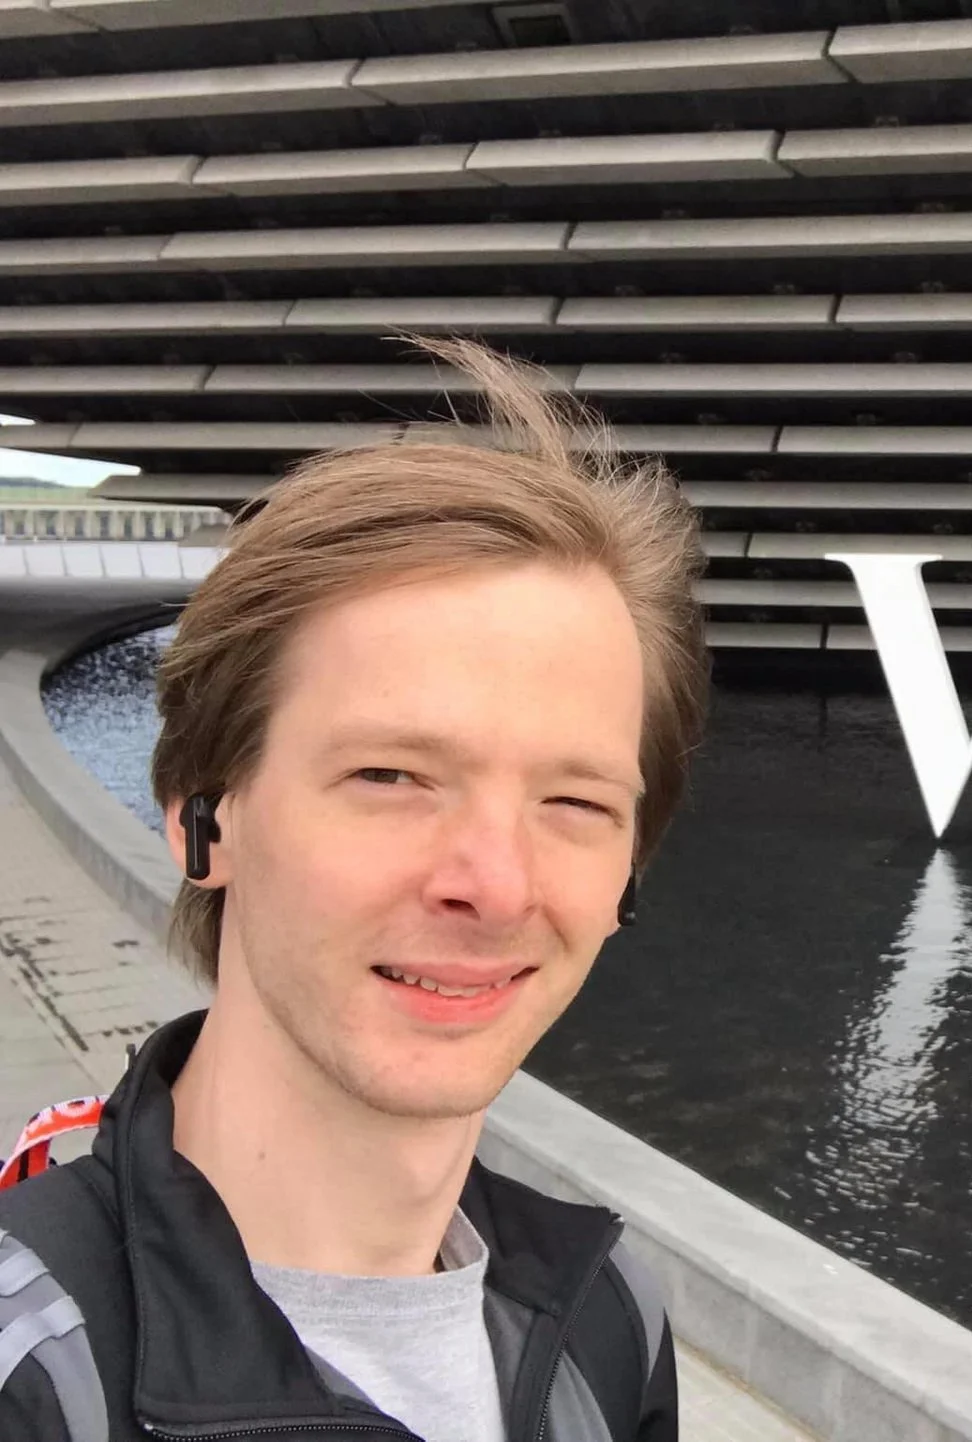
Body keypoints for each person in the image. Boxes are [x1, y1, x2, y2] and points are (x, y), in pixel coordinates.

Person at [0, 338, 708, 1442]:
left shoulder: (612, 1317)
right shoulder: (33, 1379)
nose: (497, 882)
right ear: (203, 812)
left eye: (574, 802)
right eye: (391, 776)